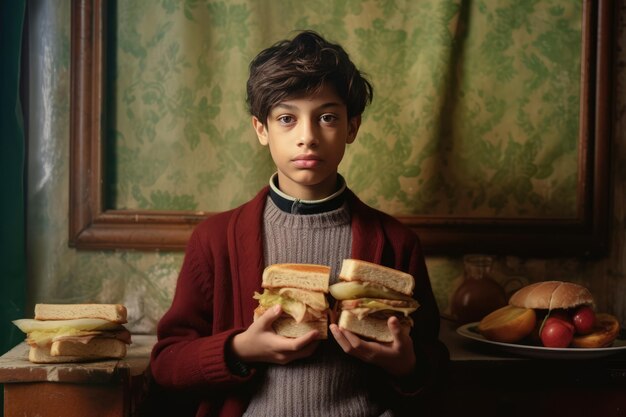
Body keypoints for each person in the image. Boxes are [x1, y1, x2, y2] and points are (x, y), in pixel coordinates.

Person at [148, 30, 449, 417]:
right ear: (261, 129)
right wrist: (239, 349)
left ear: (351, 127)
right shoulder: (214, 239)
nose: (307, 137)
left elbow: (435, 369)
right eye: (287, 118)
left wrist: (405, 365)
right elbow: (167, 363)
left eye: (327, 117)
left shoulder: (396, 242)